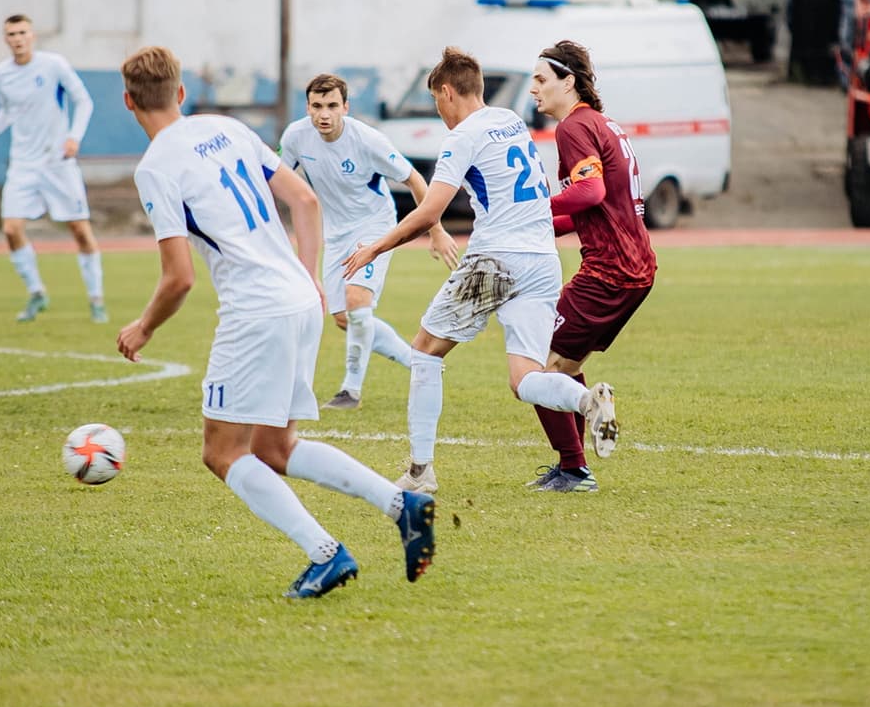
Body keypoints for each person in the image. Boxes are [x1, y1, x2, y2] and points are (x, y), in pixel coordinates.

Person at [114, 46, 435, 599]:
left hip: (255, 310)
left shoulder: (155, 168)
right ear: (182, 93)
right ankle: (402, 505)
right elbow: (305, 202)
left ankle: (325, 554)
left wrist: (143, 327)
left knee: (221, 452)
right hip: (298, 297)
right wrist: (310, 278)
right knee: (274, 448)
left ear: (128, 102)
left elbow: (179, 278)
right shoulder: (227, 128)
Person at [342, 47, 617, 495]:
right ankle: (587, 401)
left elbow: (432, 207)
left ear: (447, 93)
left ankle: (419, 472)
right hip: (542, 260)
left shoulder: (462, 135)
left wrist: (376, 246)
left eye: (437, 102)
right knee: (525, 378)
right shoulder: (510, 118)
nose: (440, 113)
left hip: (496, 257)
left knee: (425, 350)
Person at [522, 41, 656, 492]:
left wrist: (535, 205)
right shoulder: (601, 123)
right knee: (565, 361)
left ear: (568, 82)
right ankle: (573, 467)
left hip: (609, 270)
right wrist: (535, 223)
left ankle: (575, 467)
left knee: (536, 367)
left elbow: (589, 193)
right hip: (637, 267)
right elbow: (590, 209)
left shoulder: (573, 128)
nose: (533, 89)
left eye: (541, 79)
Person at [280, 74, 460, 410]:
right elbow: (277, 179)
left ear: (345, 107)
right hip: (334, 232)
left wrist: (435, 230)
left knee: (357, 298)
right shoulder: (295, 137)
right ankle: (416, 361)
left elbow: (415, 179)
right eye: (317, 106)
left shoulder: (367, 140)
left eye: (332, 105)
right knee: (344, 317)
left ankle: (350, 391)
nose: (324, 114)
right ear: (307, 107)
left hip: (374, 224)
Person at [0, 14, 107, 323]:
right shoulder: (0, 74)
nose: (18, 38)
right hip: (23, 163)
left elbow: (84, 101)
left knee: (80, 230)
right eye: (11, 34)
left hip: (57, 163)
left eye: (22, 32)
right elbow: (9, 111)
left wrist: (74, 137)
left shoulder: (53, 65)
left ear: (32, 35)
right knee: (11, 229)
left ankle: (96, 299)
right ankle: (37, 293)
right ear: (5, 39)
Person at [834, 0, 865, 91]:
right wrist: (858, 0)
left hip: (863, 21)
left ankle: (859, 82)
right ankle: (845, 83)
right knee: (846, 49)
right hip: (848, 19)